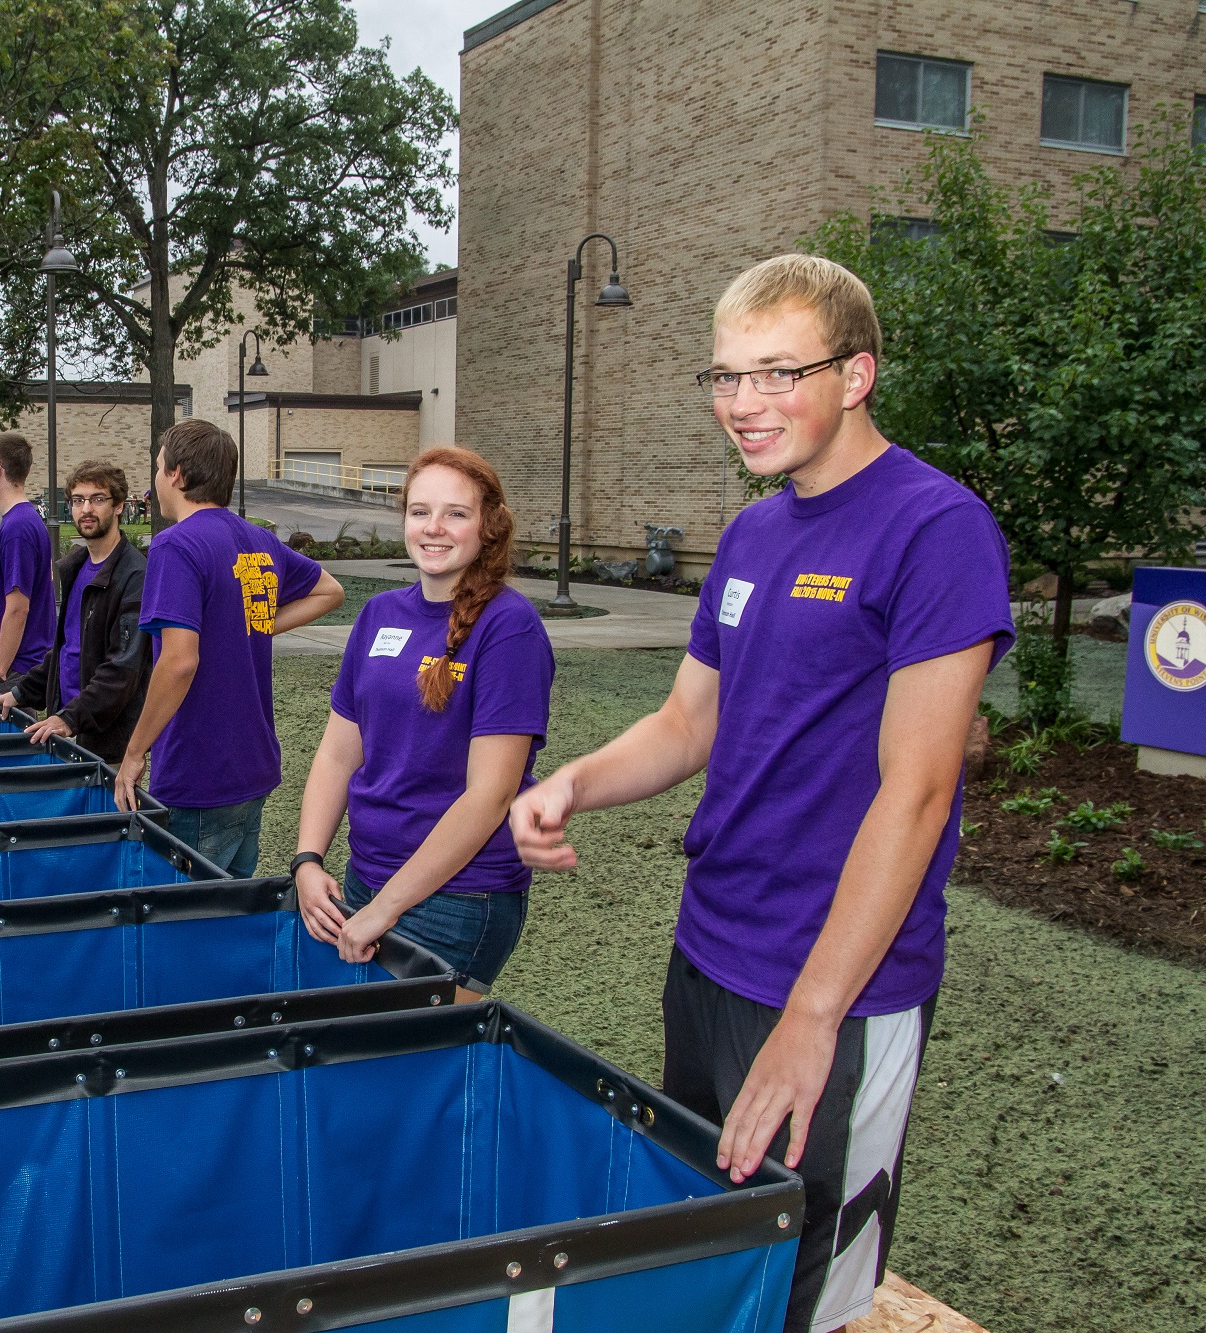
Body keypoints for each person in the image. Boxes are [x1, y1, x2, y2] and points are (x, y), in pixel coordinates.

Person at [508, 255, 1013, 1333]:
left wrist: (811, 1018)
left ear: (856, 373)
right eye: (726, 377)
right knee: (705, 1254)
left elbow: (916, 793)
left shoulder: (935, 526)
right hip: (707, 955)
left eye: (778, 373)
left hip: (837, 986)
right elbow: (689, 723)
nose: (744, 404)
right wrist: (570, 784)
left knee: (803, 1295)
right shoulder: (748, 532)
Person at [291, 448, 552, 996]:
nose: (434, 528)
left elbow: (489, 794)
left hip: (458, 899)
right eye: (419, 511)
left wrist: (384, 910)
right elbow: (339, 753)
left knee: (424, 1072)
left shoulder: (510, 628)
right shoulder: (380, 613)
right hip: (365, 878)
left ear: (489, 526)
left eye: (456, 513)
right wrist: (308, 861)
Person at [114, 420, 343, 876]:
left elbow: (178, 663)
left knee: (190, 926)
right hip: (252, 766)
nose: (155, 479)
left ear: (176, 474)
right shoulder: (258, 539)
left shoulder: (174, 544)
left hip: (200, 772)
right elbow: (329, 590)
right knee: (232, 915)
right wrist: (250, 625)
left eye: (158, 468)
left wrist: (135, 752)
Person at [0, 460, 150, 763]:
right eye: (78, 500)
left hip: (105, 742)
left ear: (118, 506)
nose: (86, 509)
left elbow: (123, 670)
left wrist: (69, 719)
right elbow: (66, 649)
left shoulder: (134, 576)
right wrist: (19, 693)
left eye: (97, 499)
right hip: (67, 729)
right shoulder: (76, 568)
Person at [0, 434, 55, 691]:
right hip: (9, 667)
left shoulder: (19, 527)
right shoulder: (17, 521)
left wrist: (0, 669)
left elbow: (19, 607)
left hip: (11, 669)